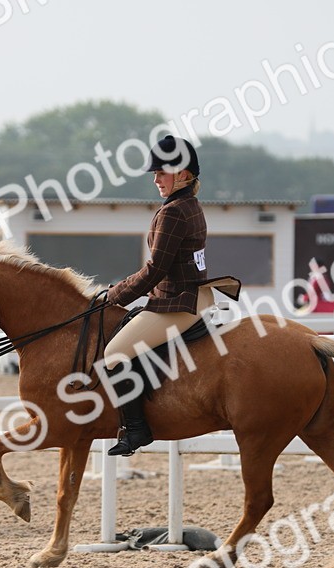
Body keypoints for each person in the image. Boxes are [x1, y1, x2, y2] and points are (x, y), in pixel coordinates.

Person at [101, 136, 239, 457]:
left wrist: (115, 295)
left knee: (114, 354)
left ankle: (136, 430)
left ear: (183, 174)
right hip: (197, 298)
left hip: (176, 304)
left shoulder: (175, 212)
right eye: (155, 173)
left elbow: (155, 269)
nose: (155, 179)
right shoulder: (190, 205)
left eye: (161, 172)